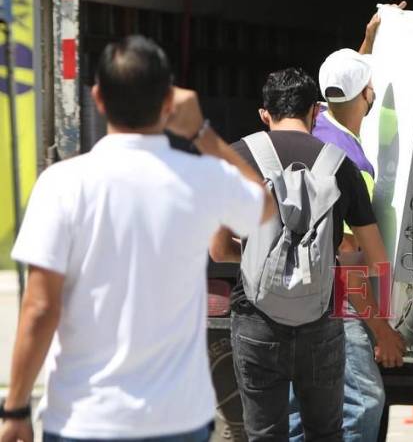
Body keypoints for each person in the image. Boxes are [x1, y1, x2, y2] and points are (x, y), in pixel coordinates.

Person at [0, 36, 274, 442]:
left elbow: (40, 308)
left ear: (97, 98)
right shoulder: (200, 179)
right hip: (178, 419)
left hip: (84, 418)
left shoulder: (62, 184)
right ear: (169, 101)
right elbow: (265, 206)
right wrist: (201, 132)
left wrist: (16, 408)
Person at [209, 67, 404, 442]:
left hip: (256, 319)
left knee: (265, 433)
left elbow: (217, 248)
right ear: (316, 111)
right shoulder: (341, 166)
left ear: (264, 114)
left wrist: (259, 260)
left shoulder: (236, 158)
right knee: (324, 432)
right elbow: (376, 259)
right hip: (321, 321)